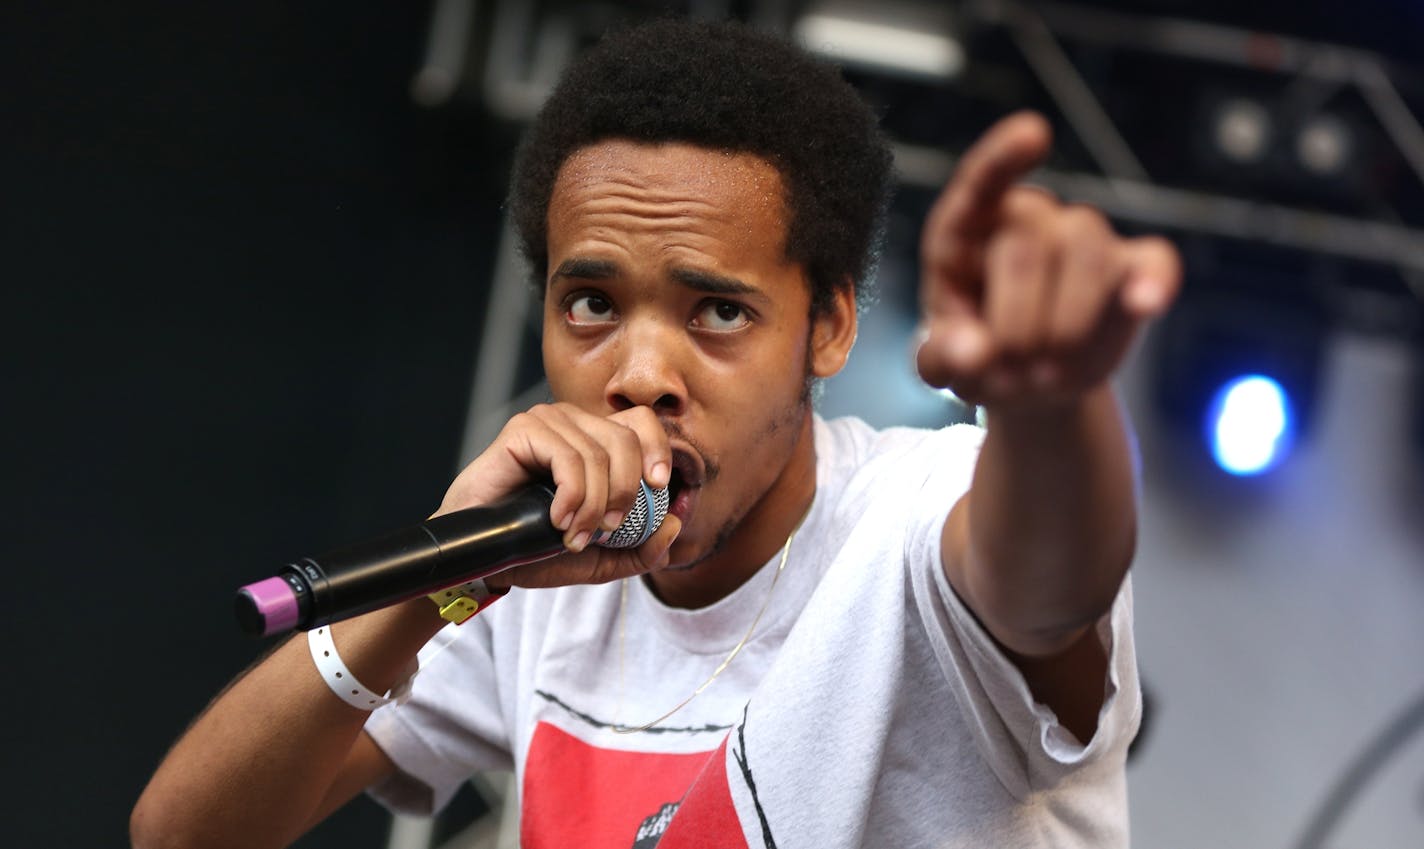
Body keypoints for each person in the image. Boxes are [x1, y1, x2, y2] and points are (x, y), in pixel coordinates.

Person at [132, 18, 1179, 849]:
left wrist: (1052, 406)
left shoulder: (913, 516)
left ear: (826, 326)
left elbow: (1047, 587)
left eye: (716, 311)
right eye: (589, 303)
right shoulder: (527, 571)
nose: (637, 377)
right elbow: (183, 836)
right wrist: (435, 587)